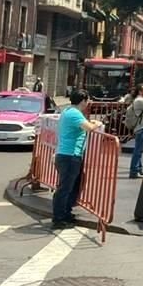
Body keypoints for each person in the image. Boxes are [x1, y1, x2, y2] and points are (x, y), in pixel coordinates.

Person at [52, 89, 102, 229]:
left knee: (73, 185)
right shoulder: (74, 113)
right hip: (69, 155)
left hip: (69, 155)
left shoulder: (69, 111)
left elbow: (82, 125)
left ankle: (66, 213)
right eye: (88, 100)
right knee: (65, 188)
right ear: (83, 101)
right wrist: (96, 124)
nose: (88, 103)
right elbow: (89, 128)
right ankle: (58, 218)